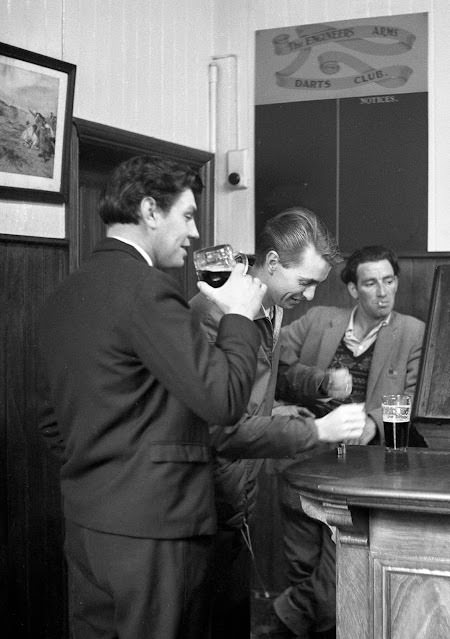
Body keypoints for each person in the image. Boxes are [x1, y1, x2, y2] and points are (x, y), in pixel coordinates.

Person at [37, 154, 269, 639]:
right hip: (157, 530)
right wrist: (240, 317)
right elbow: (224, 401)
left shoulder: (62, 294)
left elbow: (50, 422)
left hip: (87, 526)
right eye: (186, 216)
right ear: (148, 211)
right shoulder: (149, 292)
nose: (194, 234)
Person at [189, 208, 366, 639]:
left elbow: (273, 373)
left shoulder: (268, 300)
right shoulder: (218, 310)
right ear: (271, 264)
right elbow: (225, 425)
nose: (308, 297)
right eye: (304, 282)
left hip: (236, 494)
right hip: (202, 496)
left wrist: (322, 381)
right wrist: (318, 431)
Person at [271, 245, 426, 639]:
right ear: (353, 290)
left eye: (389, 281)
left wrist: (373, 425)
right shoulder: (321, 319)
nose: (383, 292)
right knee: (302, 561)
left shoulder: (412, 332)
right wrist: (318, 381)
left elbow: (411, 397)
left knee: (342, 569)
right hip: (306, 455)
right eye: (371, 283)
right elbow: (271, 357)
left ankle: (280, 618)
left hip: (364, 465)